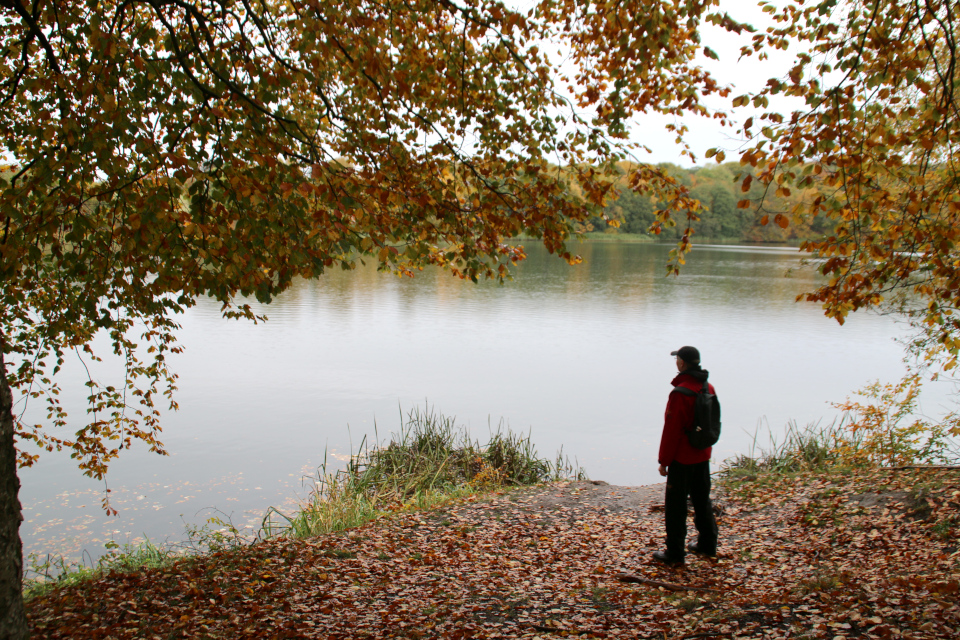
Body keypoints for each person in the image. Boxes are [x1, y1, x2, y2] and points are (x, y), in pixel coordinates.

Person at [653, 346, 719, 565]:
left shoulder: (681, 393)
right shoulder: (707, 387)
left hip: (682, 458)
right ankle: (707, 545)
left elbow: (672, 431)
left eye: (677, 359)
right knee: (702, 501)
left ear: (682, 363)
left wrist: (664, 461)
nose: (676, 362)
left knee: (676, 506)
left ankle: (674, 554)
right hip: (702, 454)